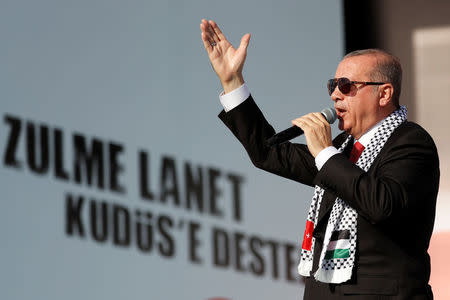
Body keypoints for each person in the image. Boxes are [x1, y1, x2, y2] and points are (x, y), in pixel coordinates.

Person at [200, 19, 439, 299]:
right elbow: (268, 152)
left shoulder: (410, 143)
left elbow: (382, 204)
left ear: (384, 93)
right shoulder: (343, 149)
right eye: (333, 85)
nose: (335, 94)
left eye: (347, 86)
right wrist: (232, 82)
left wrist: (326, 154)